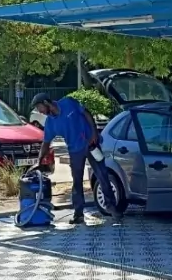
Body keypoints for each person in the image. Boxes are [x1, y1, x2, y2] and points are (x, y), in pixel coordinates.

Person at [32, 93, 121, 224]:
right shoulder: (50, 123)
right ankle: (78, 214)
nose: (40, 111)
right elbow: (46, 143)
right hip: (75, 151)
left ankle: (112, 208)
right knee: (77, 182)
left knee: (102, 175)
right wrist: (39, 160)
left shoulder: (68, 103)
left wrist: (94, 133)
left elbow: (87, 114)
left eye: (40, 107)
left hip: (91, 143)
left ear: (46, 102)